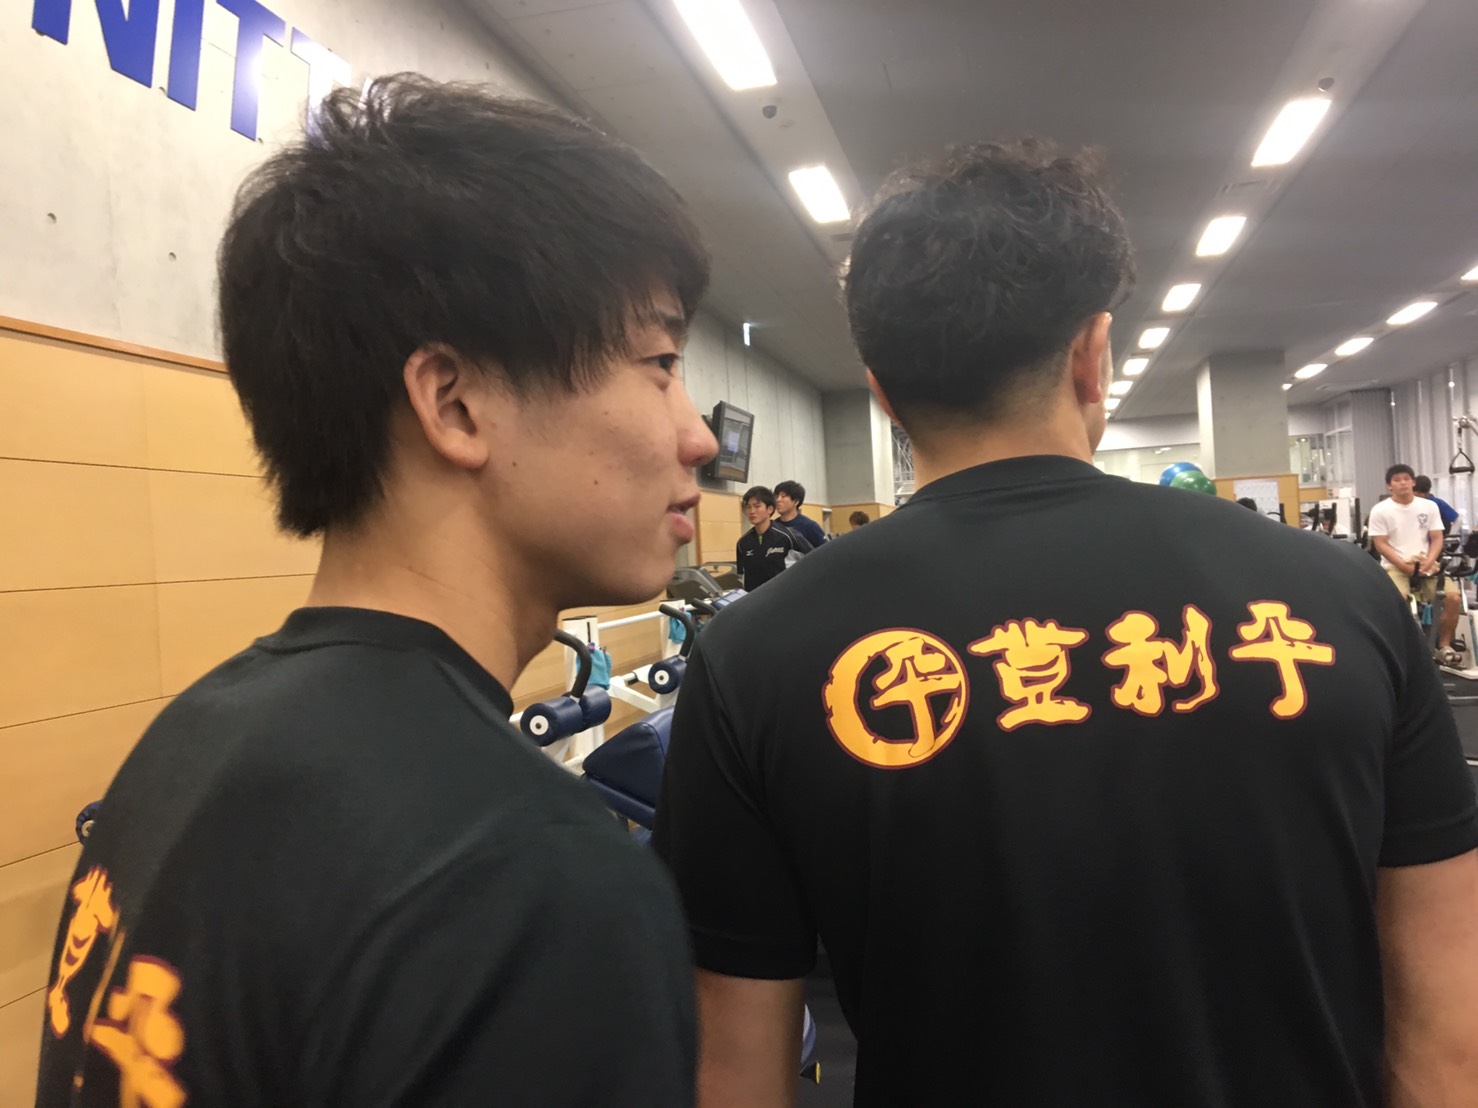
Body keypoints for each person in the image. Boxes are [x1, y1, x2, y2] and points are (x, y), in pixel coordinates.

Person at [654, 140, 1478, 1106]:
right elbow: (1447, 1040)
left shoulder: (756, 655)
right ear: (1094, 355)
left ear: (881, 392)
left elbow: (731, 1072)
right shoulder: (1345, 600)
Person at [37, 76, 717, 1107]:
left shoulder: (187, 745)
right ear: (455, 403)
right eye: (659, 361)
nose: (696, 434)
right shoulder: (530, 885)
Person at [1370, 464, 1463, 666]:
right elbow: (1380, 544)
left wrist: (1429, 560)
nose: (1402, 483)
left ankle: (1444, 646)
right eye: (1397, 480)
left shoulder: (1429, 506)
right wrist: (1404, 566)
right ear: (1389, 485)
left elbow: (1437, 538)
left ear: (1413, 482)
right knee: (1399, 600)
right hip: (1396, 565)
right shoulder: (1380, 510)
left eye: (1406, 479)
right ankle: (1403, 650)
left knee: (1453, 598)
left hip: (1425, 563)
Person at [736, 485, 807, 591]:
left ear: (770, 509)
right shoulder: (742, 543)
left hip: (784, 596)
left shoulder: (788, 536)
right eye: (748, 507)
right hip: (755, 598)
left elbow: (813, 560)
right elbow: (742, 575)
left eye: (757, 506)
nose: (752, 511)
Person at [773, 479, 827, 547]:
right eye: (776, 496)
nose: (778, 500)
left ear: (796, 502)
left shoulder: (810, 527)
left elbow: (825, 550)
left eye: (783, 496)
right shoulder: (774, 526)